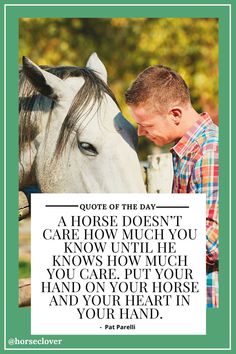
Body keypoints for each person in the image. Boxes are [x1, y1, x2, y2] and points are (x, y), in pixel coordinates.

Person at [125, 65, 219, 308]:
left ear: (175, 114)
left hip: (209, 300)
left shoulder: (210, 151)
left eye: (146, 124)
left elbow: (212, 241)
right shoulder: (190, 151)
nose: (141, 133)